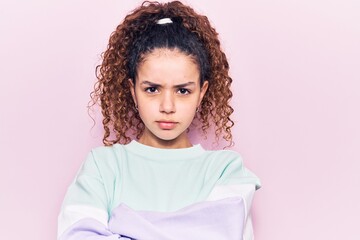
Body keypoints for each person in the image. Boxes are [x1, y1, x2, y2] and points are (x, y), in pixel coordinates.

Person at [58, 1, 261, 239]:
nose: (167, 106)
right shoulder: (103, 167)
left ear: (202, 93)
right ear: (133, 91)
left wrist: (125, 224)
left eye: (183, 91)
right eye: (152, 89)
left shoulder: (226, 171)